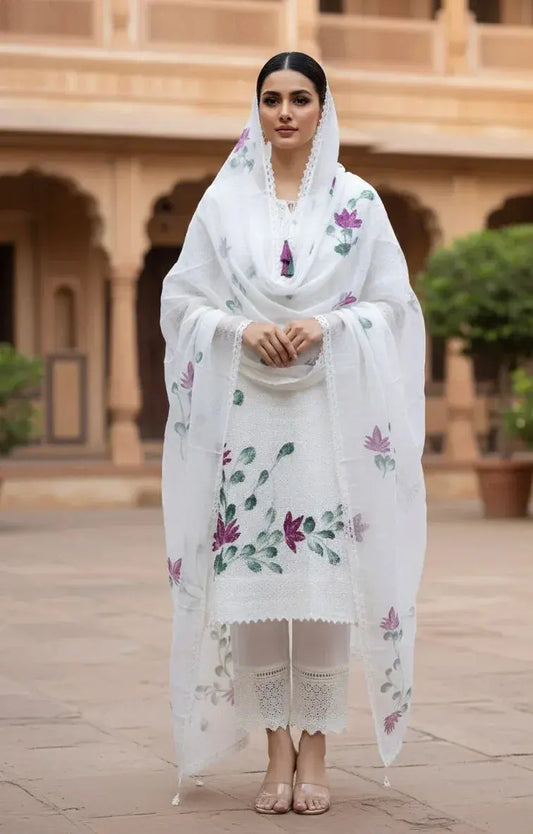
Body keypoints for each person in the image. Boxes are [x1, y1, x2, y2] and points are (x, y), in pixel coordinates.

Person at [160, 51, 426, 816]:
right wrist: (239, 328)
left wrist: (326, 325)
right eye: (271, 98)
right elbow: (181, 302)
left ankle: (315, 750)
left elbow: (392, 305)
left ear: (321, 108)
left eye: (300, 98)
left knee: (318, 587)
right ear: (257, 109)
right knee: (252, 589)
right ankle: (274, 751)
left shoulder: (356, 200)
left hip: (325, 416)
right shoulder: (224, 202)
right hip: (247, 415)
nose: (284, 112)